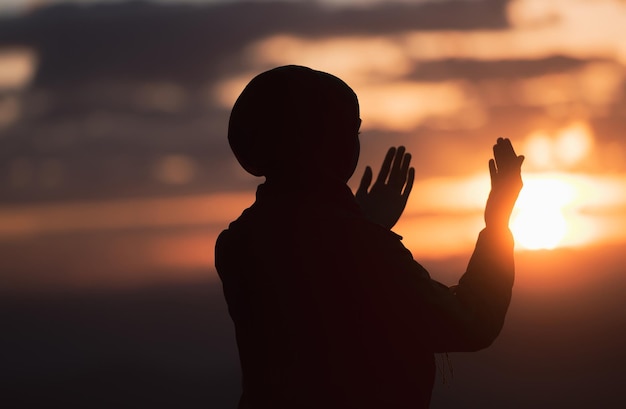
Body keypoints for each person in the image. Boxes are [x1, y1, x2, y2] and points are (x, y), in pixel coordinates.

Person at [215, 65, 524, 408]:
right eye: (351, 132)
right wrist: (497, 225)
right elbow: (471, 322)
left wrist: (363, 223)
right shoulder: (363, 248)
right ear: (323, 143)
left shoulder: (237, 243)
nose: (355, 145)